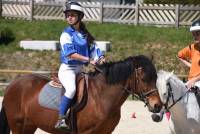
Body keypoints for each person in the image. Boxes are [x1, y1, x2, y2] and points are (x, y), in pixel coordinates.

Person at [55, 2, 105, 129]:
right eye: (67, 15)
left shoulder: (84, 34)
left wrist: (100, 57)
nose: (69, 17)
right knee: (71, 89)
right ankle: (60, 119)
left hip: (80, 70)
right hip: (67, 70)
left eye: (72, 15)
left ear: (80, 17)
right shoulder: (66, 34)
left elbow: (94, 48)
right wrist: (88, 59)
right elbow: (70, 54)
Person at [178, 19, 200, 89]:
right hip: (191, 81)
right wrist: (191, 65)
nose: (195, 36)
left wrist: (194, 80)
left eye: (197, 34)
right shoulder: (192, 47)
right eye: (193, 34)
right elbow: (180, 55)